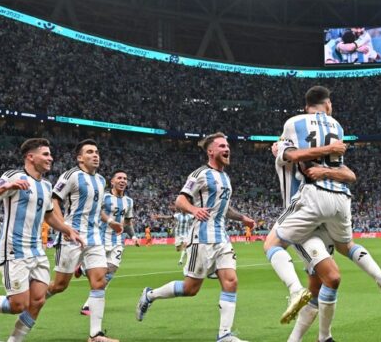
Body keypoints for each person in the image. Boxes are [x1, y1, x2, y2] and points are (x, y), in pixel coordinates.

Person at [263, 86, 381, 341]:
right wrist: (329, 155)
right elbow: (346, 172)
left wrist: (321, 170)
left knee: (271, 243)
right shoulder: (337, 128)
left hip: (309, 203)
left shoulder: (292, 127)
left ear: (306, 106)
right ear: (328, 104)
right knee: (331, 276)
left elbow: (295, 154)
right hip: (338, 202)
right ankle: (322, 336)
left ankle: (294, 292)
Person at [0, 138, 83, 342]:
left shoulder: (46, 185)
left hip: (37, 251)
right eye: (45, 154)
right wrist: (7, 186)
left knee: (38, 300)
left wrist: (68, 230)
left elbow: (49, 215)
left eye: (50, 154)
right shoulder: (14, 176)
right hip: (13, 249)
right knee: (18, 305)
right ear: (30, 157)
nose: (50, 158)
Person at [136, 132, 255, 342]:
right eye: (221, 146)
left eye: (227, 146)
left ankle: (224, 335)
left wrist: (242, 218)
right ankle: (150, 295)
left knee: (231, 281)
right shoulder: (199, 174)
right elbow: (180, 200)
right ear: (210, 151)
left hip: (222, 238)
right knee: (190, 289)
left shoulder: (225, 177)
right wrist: (194, 210)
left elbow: (223, 208)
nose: (227, 149)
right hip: (201, 238)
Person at [46, 139, 123, 342]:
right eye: (90, 152)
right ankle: (35, 298)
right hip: (72, 235)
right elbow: (54, 199)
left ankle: (95, 335)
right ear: (80, 158)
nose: (95, 155)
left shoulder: (101, 181)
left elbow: (97, 211)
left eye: (97, 151)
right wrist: (64, 227)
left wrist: (111, 222)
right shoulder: (71, 176)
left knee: (99, 282)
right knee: (60, 285)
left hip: (94, 237)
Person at [79, 169, 136, 316]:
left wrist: (133, 236)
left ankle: (87, 302)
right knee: (99, 274)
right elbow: (97, 212)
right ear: (112, 181)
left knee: (109, 273)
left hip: (118, 241)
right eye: (119, 178)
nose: (123, 180)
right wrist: (111, 221)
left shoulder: (129, 201)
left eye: (125, 178)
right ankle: (88, 304)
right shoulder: (104, 197)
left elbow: (128, 222)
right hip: (101, 239)